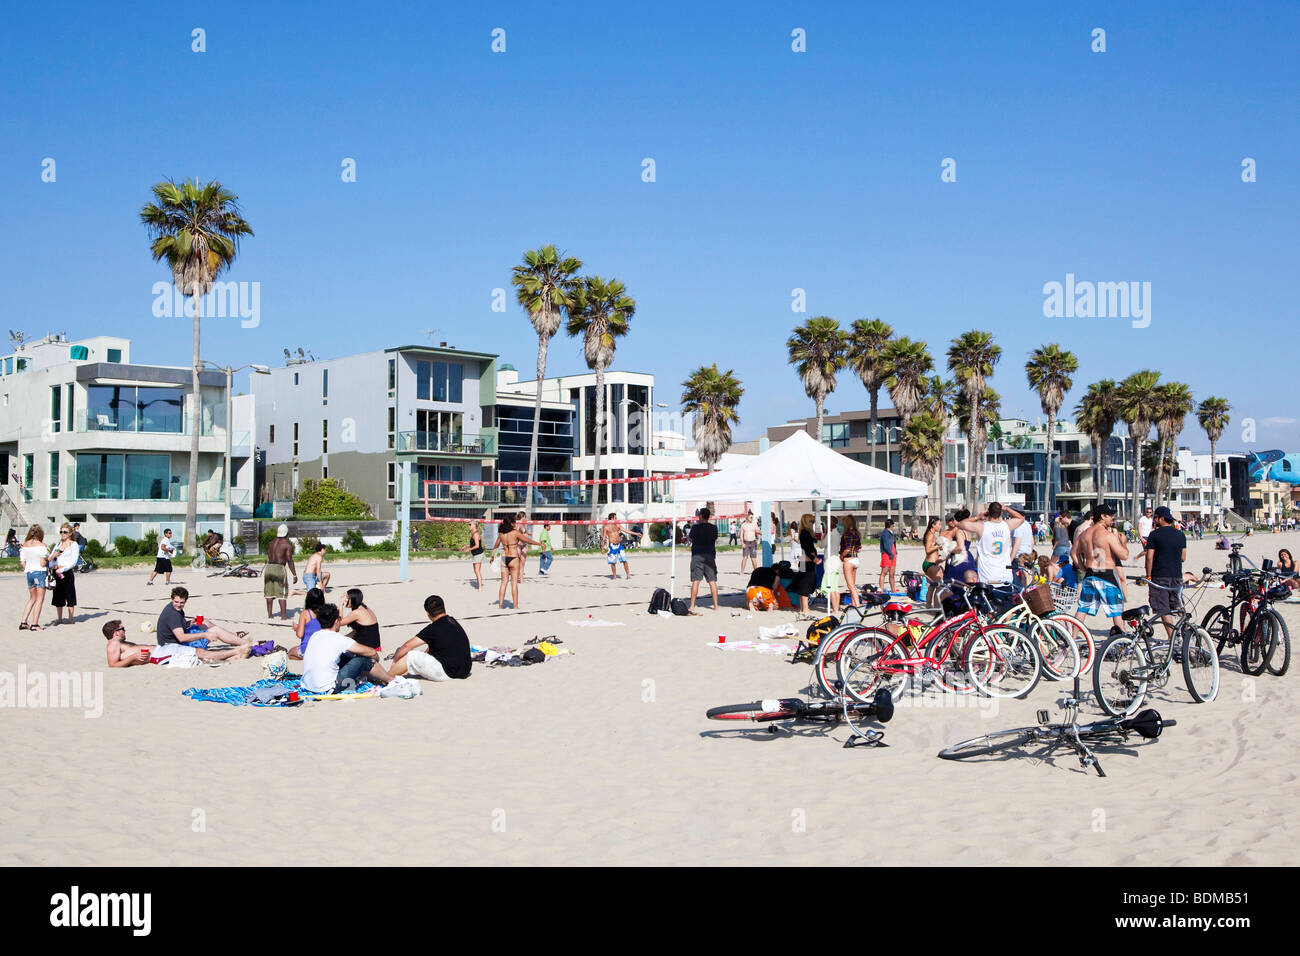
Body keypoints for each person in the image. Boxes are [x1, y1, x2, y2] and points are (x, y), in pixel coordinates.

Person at [301, 603, 395, 695]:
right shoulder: (339, 639)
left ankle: (373, 677)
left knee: (346, 656)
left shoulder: (315, 635)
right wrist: (374, 659)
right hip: (327, 688)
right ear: (336, 622)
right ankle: (392, 681)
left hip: (308, 685)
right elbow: (372, 652)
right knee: (363, 659)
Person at [387, 594, 472, 681]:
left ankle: (386, 677)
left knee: (411, 655)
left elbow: (407, 646)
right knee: (425, 649)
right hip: (464, 670)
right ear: (443, 608)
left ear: (427, 613)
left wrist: (394, 662)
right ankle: (399, 670)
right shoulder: (452, 621)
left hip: (449, 673)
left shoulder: (433, 628)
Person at [1072, 504, 1130, 631]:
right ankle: (1122, 638)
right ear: (1103, 516)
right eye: (1110, 516)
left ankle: (1072, 638)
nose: (1113, 519)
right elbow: (1124, 555)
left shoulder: (1084, 534)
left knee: (1083, 609)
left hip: (1090, 573)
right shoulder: (1106, 535)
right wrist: (1124, 542)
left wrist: (1082, 567)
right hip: (1106, 574)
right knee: (1116, 611)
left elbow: (1074, 553)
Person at [104, 619, 249, 666]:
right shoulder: (113, 643)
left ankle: (234, 657)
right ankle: (236, 651)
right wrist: (133, 658)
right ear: (115, 633)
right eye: (122, 628)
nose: (124, 630)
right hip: (158, 655)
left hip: (160, 653)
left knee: (195, 657)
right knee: (198, 653)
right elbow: (113, 664)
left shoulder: (120, 643)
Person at [955, 503, 1025, 587]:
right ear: (1001, 513)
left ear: (988, 512)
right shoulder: (1007, 525)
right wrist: (1006, 508)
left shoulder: (981, 526)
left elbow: (960, 524)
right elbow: (1021, 518)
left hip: (987, 577)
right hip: (1005, 576)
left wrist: (977, 517)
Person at [1143, 506, 1187, 637]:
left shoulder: (1154, 535)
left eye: (1155, 517)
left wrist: (1148, 575)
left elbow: (1149, 557)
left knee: (1163, 608)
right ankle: (1184, 629)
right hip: (1176, 575)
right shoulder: (1180, 534)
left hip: (1160, 575)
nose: (1154, 520)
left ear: (1161, 518)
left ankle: (1172, 636)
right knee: (1177, 604)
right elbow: (1183, 557)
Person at [157, 586, 252, 646]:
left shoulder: (174, 609)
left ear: (186, 601)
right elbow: (181, 637)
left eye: (182, 603)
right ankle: (247, 644)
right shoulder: (173, 614)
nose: (179, 604)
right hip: (175, 645)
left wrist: (190, 623)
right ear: (172, 599)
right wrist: (205, 634)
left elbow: (177, 627)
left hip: (175, 640)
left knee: (204, 622)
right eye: (176, 602)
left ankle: (233, 636)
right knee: (215, 630)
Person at [495, 516, 541, 609]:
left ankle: (500, 605)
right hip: (513, 557)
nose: (516, 524)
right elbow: (528, 540)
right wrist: (539, 544)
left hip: (504, 558)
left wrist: (492, 556)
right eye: (514, 522)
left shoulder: (501, 533)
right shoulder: (515, 533)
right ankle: (515, 606)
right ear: (511, 523)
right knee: (514, 583)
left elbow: (495, 545)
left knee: (503, 583)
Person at [47, 522, 80, 625]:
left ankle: (70, 619)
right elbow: (51, 557)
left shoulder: (73, 545)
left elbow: (73, 561)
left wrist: (62, 569)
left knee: (70, 594)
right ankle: (60, 618)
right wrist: (53, 565)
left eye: (65, 532)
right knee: (58, 595)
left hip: (66, 573)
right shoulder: (58, 544)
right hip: (56, 572)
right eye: (61, 532)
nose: (62, 534)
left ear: (70, 533)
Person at [688, 507, 720, 612]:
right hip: (710, 555)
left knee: (696, 581)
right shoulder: (714, 528)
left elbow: (691, 539)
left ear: (701, 516)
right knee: (712, 581)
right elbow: (715, 538)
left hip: (697, 555)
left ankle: (692, 606)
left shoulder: (695, 527)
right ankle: (715, 605)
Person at [263, 524, 298, 619]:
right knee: (282, 593)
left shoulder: (271, 543)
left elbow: (269, 556)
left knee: (269, 594)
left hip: (268, 568)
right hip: (279, 568)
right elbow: (289, 560)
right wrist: (294, 575)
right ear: (286, 533)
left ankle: (270, 615)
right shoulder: (286, 544)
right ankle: (283, 616)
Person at [19, 524, 48, 631]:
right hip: (39, 572)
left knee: (32, 598)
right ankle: (35, 624)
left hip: (29, 572)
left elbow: (22, 563)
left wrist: (29, 568)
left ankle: (23, 622)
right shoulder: (41, 545)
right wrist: (47, 561)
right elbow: (42, 562)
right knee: (40, 599)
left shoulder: (25, 545)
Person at [338, 587, 382, 651]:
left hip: (367, 645)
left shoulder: (357, 612)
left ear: (353, 599)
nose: (345, 600)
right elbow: (358, 630)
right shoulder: (364, 608)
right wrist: (343, 638)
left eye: (347, 598)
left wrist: (341, 605)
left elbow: (340, 622)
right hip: (374, 643)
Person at [290, 587, 326, 660]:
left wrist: (297, 628)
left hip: (308, 648)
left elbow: (300, 635)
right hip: (322, 648)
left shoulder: (305, 613)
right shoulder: (325, 612)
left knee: (290, 653)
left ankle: (305, 658)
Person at [839, 514, 863, 607]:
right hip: (856, 559)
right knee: (853, 584)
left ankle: (857, 604)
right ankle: (854, 603)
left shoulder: (847, 534)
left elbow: (847, 549)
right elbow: (859, 548)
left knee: (850, 586)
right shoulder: (857, 533)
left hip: (848, 560)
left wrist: (841, 556)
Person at [602, 513, 631, 580]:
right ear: (612, 519)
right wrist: (602, 548)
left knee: (624, 561)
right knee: (612, 563)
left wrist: (636, 533)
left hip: (619, 546)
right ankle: (614, 577)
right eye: (615, 518)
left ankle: (628, 575)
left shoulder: (617, 525)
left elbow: (627, 531)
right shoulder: (606, 527)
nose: (616, 519)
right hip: (612, 547)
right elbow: (604, 538)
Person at [463, 520, 486, 588]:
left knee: (477, 571)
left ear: (474, 525)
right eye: (469, 524)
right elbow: (472, 543)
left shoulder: (475, 534)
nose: (469, 526)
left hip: (478, 554)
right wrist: (466, 546)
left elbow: (477, 545)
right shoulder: (474, 533)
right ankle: (480, 585)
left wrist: (469, 549)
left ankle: (480, 588)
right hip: (476, 554)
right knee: (476, 571)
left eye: (470, 524)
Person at [921, 517, 943, 587]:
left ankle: (929, 598)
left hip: (931, 563)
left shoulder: (931, 534)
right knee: (938, 586)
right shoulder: (930, 535)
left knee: (931, 587)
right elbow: (927, 550)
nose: (940, 526)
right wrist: (937, 547)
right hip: (930, 563)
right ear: (933, 525)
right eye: (939, 524)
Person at [878, 517, 898, 592]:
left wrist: (895, 552)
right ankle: (881, 589)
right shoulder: (885, 533)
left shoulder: (891, 533)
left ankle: (893, 590)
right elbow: (886, 546)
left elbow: (893, 544)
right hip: (886, 554)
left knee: (892, 573)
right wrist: (890, 554)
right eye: (893, 525)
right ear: (891, 525)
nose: (893, 526)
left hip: (893, 554)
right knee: (884, 572)